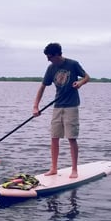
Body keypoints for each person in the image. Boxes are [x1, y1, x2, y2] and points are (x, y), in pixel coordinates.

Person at [32, 42, 90, 178]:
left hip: (71, 105)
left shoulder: (73, 64)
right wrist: (36, 106)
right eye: (47, 57)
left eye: (50, 57)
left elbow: (87, 77)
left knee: (71, 138)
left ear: (58, 54)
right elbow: (42, 87)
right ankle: (53, 168)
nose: (48, 59)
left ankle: (74, 170)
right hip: (57, 105)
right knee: (54, 137)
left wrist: (80, 83)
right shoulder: (51, 68)